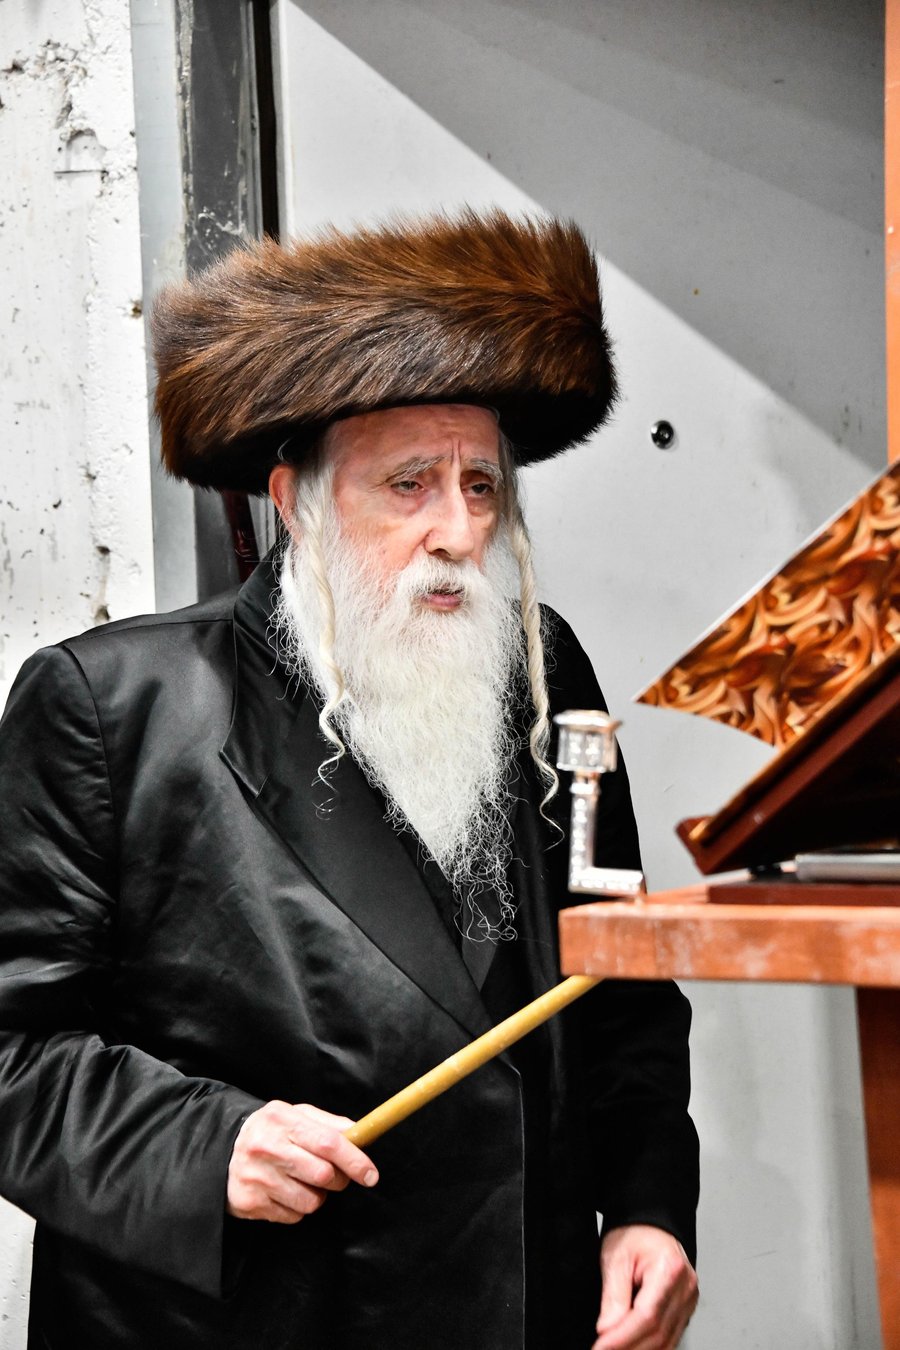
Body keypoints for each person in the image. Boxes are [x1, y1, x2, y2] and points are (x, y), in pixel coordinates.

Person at [0, 210, 699, 1349]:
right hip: (256, 1314)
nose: (460, 530)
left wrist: (649, 1207)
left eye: (483, 485)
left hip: (523, 1305)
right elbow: (14, 1051)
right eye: (409, 484)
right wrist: (206, 1146)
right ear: (296, 501)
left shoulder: (543, 668)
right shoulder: (110, 703)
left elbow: (621, 983)